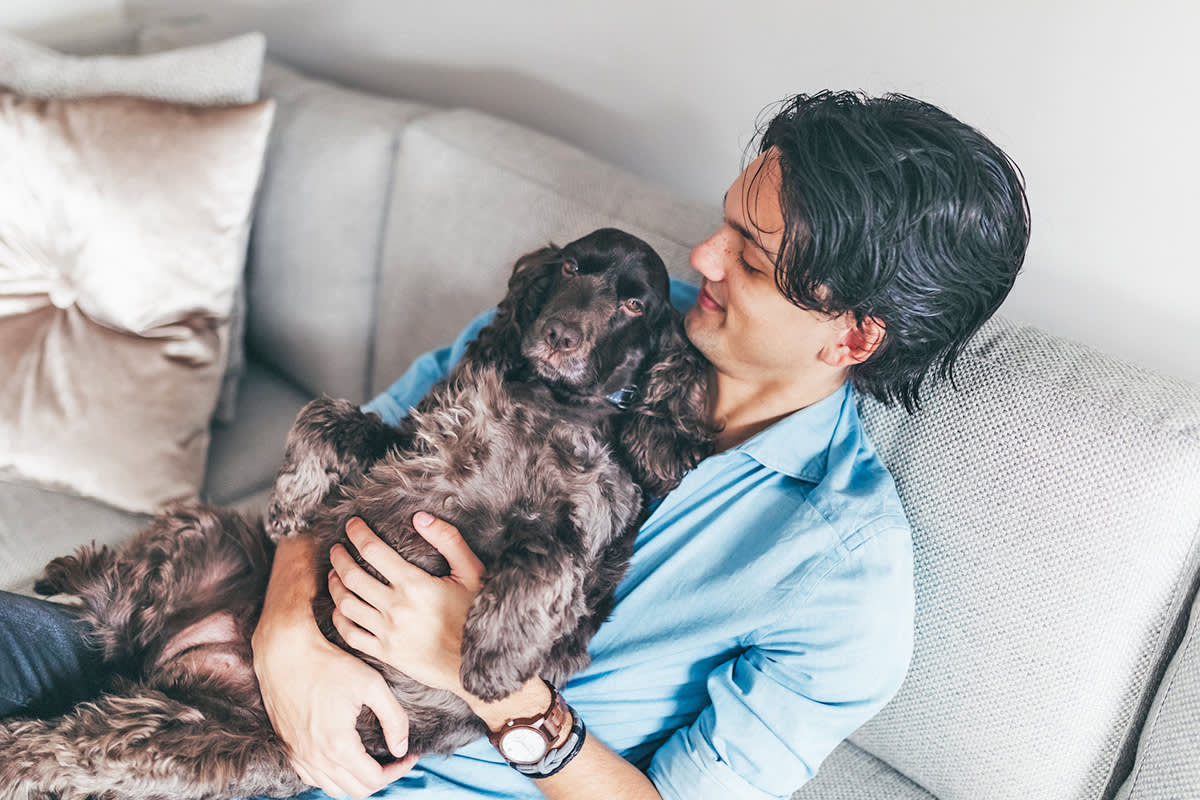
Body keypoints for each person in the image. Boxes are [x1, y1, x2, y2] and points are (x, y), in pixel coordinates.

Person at [0, 91, 1029, 800]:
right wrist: (286, 634)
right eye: (726, 222)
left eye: (750, 259)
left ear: (850, 334)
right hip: (223, 613)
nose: (701, 256)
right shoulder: (595, 312)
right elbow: (364, 453)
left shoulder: (840, 579)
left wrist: (493, 681)